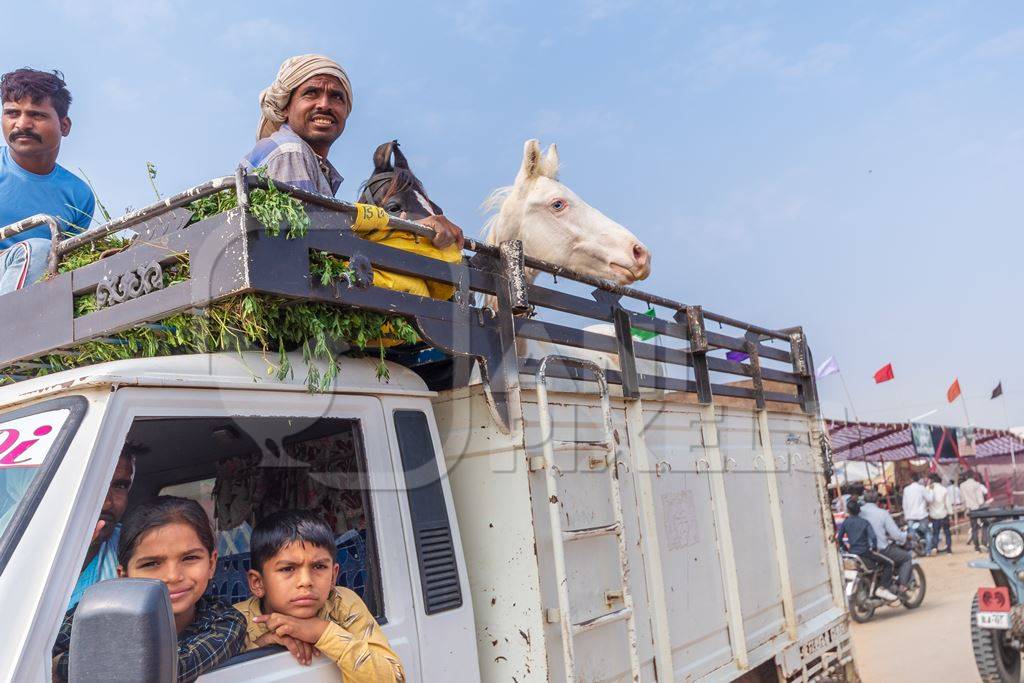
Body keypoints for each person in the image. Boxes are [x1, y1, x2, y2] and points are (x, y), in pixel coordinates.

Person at [241, 55, 464, 283]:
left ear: (345, 112)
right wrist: (408, 232)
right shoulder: (290, 151)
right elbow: (311, 248)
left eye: (336, 97)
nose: (325, 105)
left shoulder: (309, 160)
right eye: (311, 93)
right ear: (286, 107)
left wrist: (405, 229)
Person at [53, 496, 246, 682]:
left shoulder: (225, 623)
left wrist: (61, 664)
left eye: (189, 558)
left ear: (212, 564)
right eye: (151, 563)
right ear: (124, 576)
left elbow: (159, 672)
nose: (172, 576)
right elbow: (40, 651)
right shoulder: (96, 613)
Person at [234, 510, 404, 681]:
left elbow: (393, 678)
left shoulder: (342, 604)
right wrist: (264, 643)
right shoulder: (236, 621)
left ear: (333, 576)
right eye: (288, 569)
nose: (306, 581)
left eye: (319, 566)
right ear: (258, 583)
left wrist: (321, 631)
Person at [0, 68, 94, 293]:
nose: (22, 124)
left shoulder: (78, 196)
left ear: (64, 125)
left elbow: (66, 261)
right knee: (39, 249)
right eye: (12, 113)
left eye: (37, 115)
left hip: (36, 293)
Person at [67, 443, 142, 609]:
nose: (107, 504)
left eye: (119, 486)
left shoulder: (134, 546)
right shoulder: (14, 543)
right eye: (91, 484)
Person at [837, 499, 898, 601]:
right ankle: (882, 588)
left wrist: (845, 548)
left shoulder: (845, 523)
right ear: (859, 510)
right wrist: (874, 548)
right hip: (866, 553)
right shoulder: (864, 522)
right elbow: (873, 537)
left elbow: (839, 538)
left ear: (848, 511)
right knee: (889, 563)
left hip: (853, 554)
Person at [860, 490, 914, 593]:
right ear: (877, 501)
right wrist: (905, 537)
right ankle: (902, 586)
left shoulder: (859, 513)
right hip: (880, 549)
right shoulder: (882, 513)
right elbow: (896, 535)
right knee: (906, 557)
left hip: (862, 550)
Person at [961, 471, 992, 552]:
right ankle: (984, 543)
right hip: (979, 508)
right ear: (973, 476)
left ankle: (976, 546)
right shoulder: (977, 484)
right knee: (985, 525)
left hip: (970, 509)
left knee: (974, 528)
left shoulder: (962, 485)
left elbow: (963, 499)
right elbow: (980, 499)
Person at [902, 476, 933, 551]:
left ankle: (913, 551)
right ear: (918, 480)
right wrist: (931, 491)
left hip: (910, 516)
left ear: (911, 480)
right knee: (927, 532)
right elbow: (930, 499)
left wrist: (906, 515)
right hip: (921, 515)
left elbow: (904, 504)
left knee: (911, 534)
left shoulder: (906, 489)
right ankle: (928, 550)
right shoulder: (921, 488)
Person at [926, 473, 953, 554]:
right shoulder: (944, 489)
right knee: (947, 532)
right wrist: (950, 512)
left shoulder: (928, 488)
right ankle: (949, 549)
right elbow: (947, 503)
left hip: (933, 515)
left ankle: (935, 547)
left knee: (935, 533)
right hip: (944, 514)